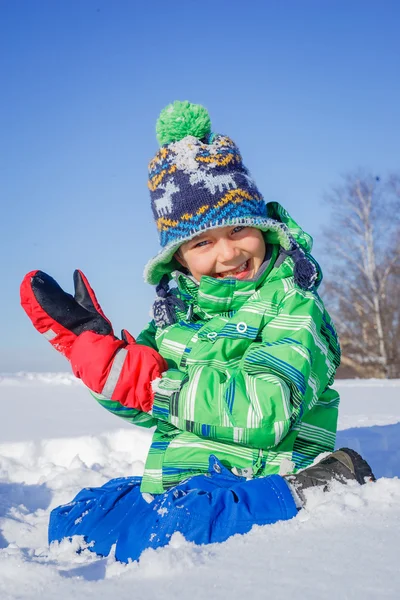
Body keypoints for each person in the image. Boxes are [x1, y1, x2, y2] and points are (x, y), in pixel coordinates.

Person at [20, 101, 375, 563]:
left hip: (258, 479)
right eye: (203, 242)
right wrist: (106, 363)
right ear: (179, 258)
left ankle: (326, 481)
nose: (227, 253)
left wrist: (155, 386)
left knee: (181, 524)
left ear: (264, 230)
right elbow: (152, 411)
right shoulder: (176, 319)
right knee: (79, 518)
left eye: (240, 229)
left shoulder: (294, 306)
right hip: (187, 482)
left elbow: (268, 411)